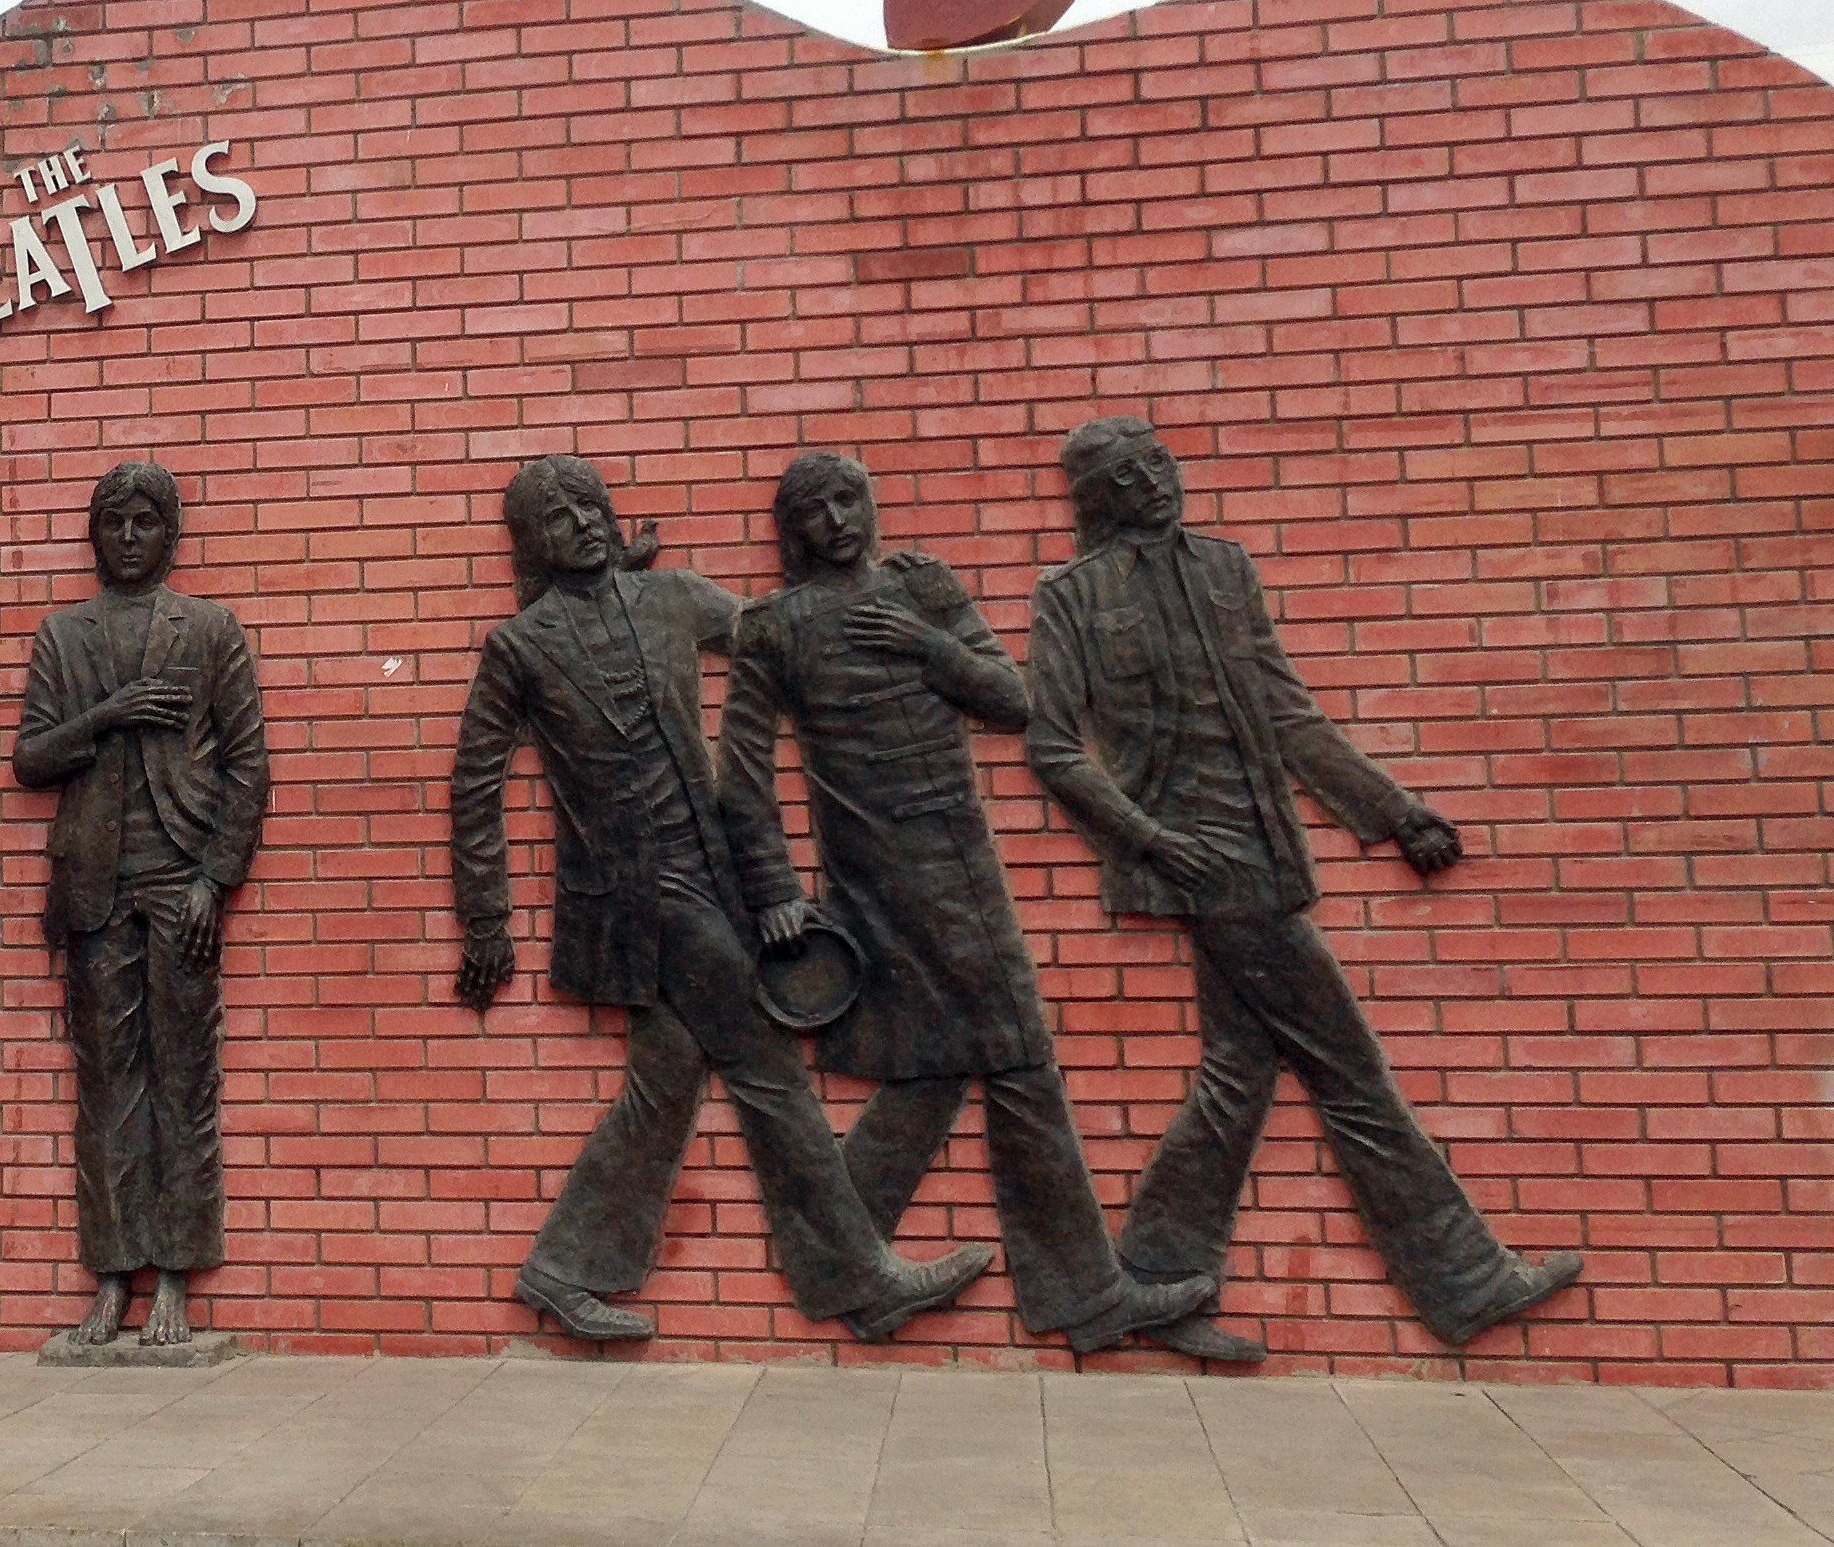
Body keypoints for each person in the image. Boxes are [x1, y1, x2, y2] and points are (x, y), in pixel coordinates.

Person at [1025, 416, 1581, 1357]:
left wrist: (1393, 811)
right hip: (1202, 865)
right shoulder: (1072, 595)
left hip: (1266, 851)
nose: (1153, 481)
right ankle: (1465, 1282)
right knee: (1348, 1070)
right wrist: (1151, 842)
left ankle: (1152, 1280)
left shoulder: (1226, 568)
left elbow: (1287, 713)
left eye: (1157, 461)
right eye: (1125, 475)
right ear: (1096, 498)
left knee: (1239, 1075)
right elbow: (1053, 748)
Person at [449, 453, 991, 1345]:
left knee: (663, 1089)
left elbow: (775, 637)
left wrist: (879, 600)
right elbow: (475, 783)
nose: (583, 524)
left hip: (712, 874)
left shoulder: (671, 598)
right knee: (769, 1070)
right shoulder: (520, 646)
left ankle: (562, 1270)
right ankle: (861, 1279)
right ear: (534, 544)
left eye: (591, 506)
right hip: (633, 899)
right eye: (559, 518)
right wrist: (485, 918)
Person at [717, 450, 1213, 1355]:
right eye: (816, 510)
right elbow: (742, 778)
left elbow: (1013, 702)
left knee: (936, 1070)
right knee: (1017, 1061)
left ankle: (842, 1269)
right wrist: (773, 889)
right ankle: (1085, 1299)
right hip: (876, 880)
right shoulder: (773, 628)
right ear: (793, 531)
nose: (838, 521)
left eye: (849, 499)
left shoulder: (923, 586)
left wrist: (927, 641)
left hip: (964, 865)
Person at [11, 460, 268, 1348]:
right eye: (113, 522)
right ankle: (114, 1275)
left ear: (171, 534)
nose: (127, 537)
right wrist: (108, 713)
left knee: (184, 1083)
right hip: (92, 888)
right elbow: (31, 759)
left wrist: (214, 880)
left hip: (180, 884)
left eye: (145, 522)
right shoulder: (64, 635)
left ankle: (177, 1280)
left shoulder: (210, 628)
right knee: (107, 1090)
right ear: (95, 533)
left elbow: (248, 766)